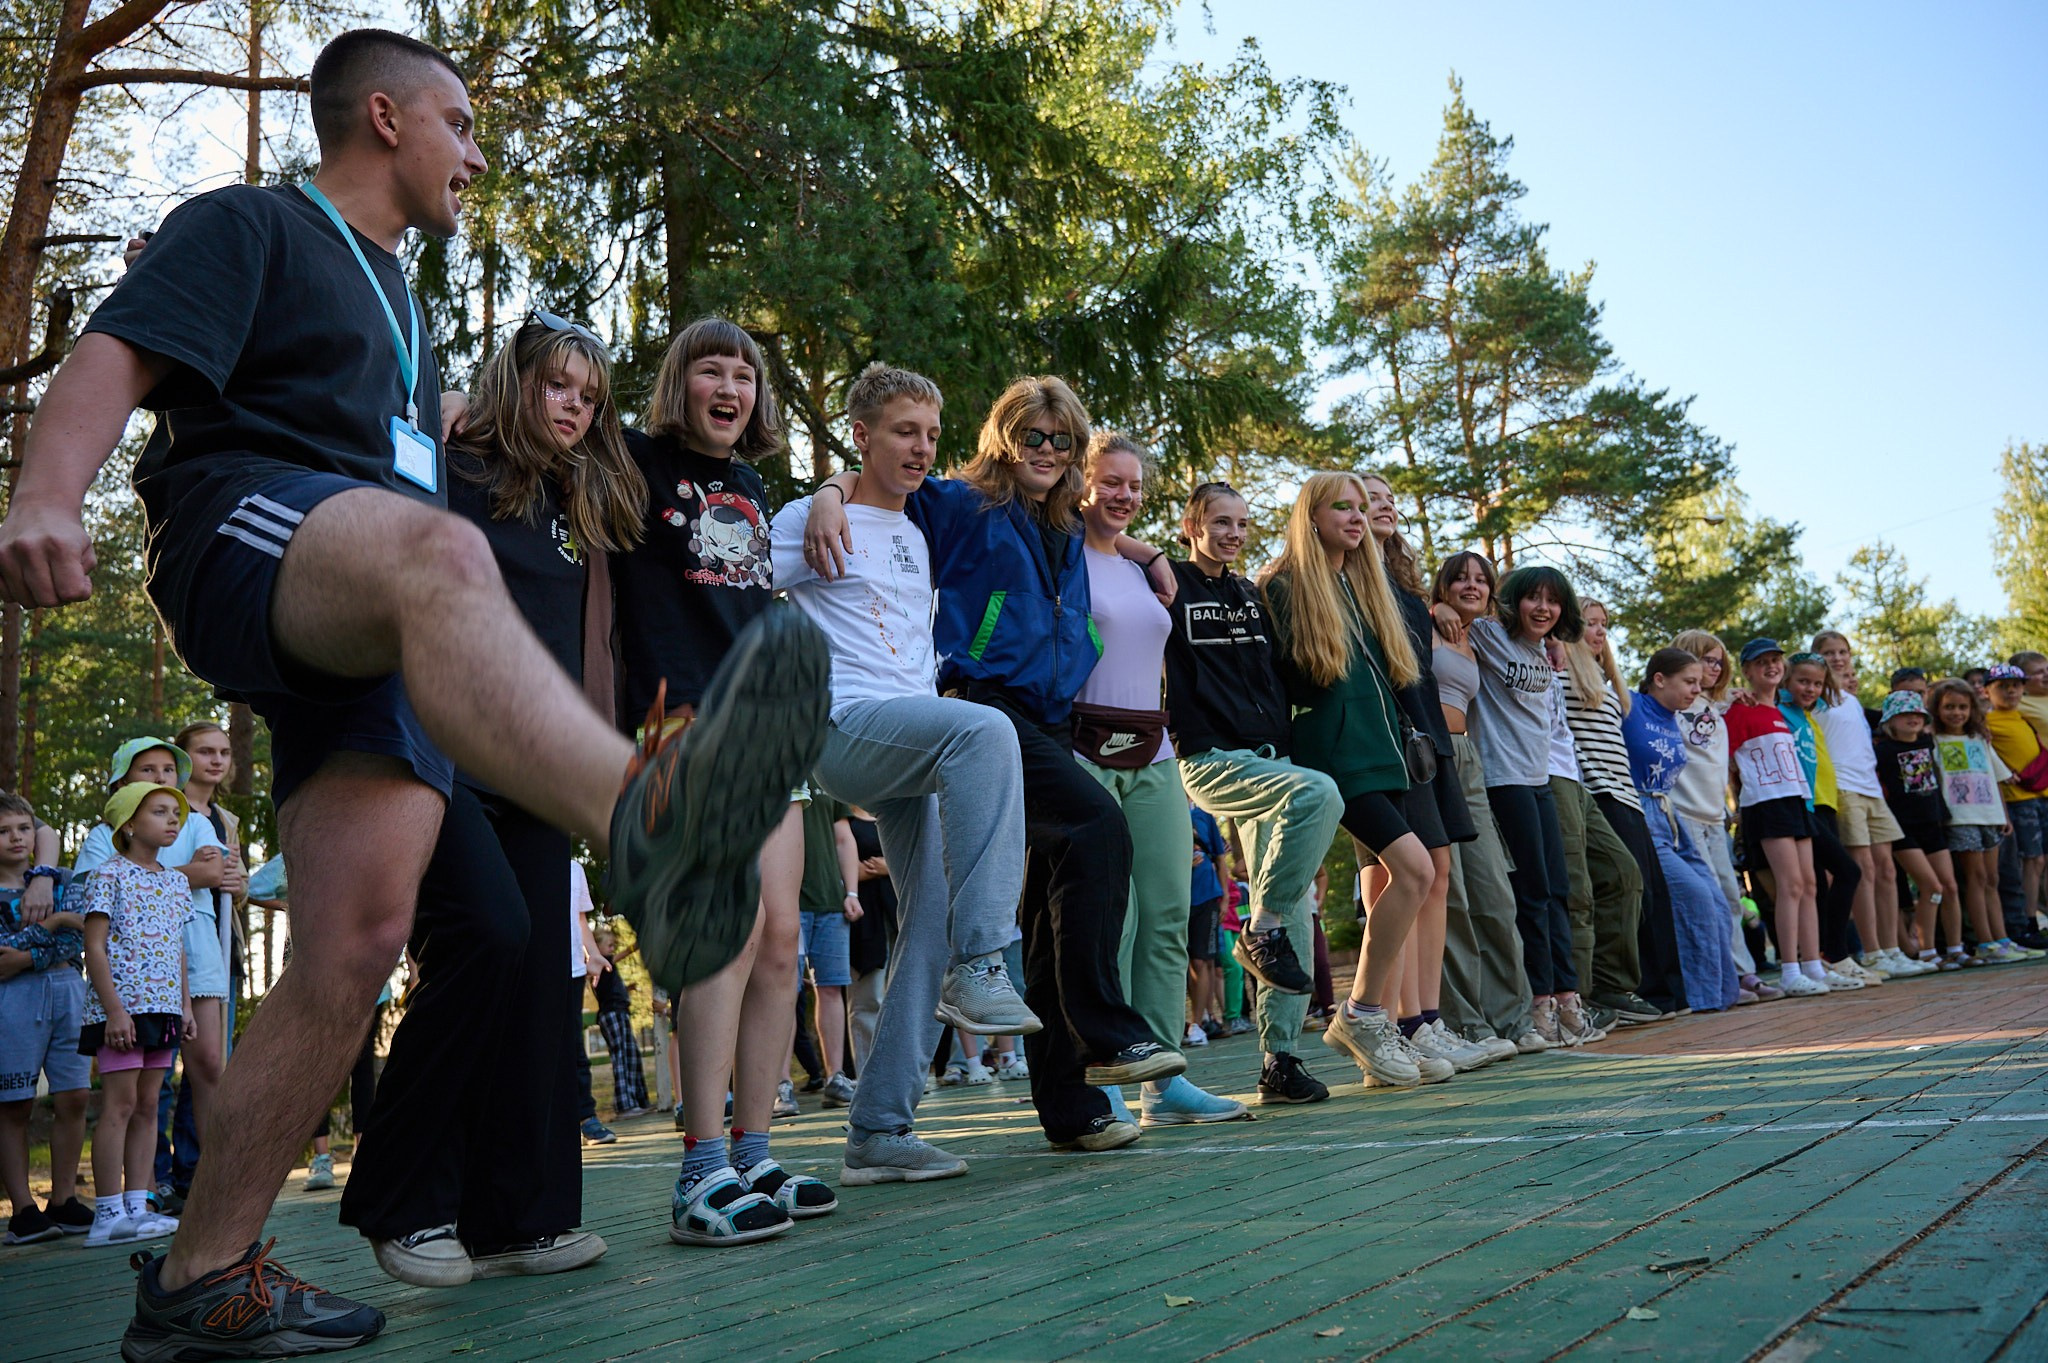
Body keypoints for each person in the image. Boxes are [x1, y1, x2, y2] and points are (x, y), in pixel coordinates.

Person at [0, 29, 819, 1353]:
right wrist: (43, 492)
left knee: (359, 938)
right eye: (459, 122)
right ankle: (649, 815)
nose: (477, 153)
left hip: (369, 612)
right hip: (250, 524)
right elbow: (116, 350)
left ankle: (205, 1274)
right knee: (444, 548)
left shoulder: (402, 297)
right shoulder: (254, 222)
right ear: (382, 117)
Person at [804, 374, 1182, 1154]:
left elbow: (1107, 535)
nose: (1047, 451)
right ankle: (1109, 1029)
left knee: (1052, 901)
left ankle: (1071, 1109)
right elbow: (881, 484)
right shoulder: (964, 504)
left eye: (1062, 440)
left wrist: (1146, 551)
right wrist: (826, 495)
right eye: (1032, 436)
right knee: (1099, 828)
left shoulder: (1069, 527)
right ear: (1004, 439)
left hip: (1052, 718)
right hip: (985, 706)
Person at [772, 361, 1033, 1183]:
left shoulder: (917, 532)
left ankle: (880, 1128)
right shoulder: (810, 517)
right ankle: (987, 960)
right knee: (989, 731)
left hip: (908, 736)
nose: (920, 448)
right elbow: (732, 582)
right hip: (842, 729)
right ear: (861, 435)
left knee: (930, 918)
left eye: (929, 432)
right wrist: (824, 492)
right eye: (901, 431)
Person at [1073, 433, 1248, 1124]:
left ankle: (1165, 1078)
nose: (1124, 494)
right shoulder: (1056, 556)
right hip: (1085, 744)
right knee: (1113, 919)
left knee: (1170, 912)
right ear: (1081, 484)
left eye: (1134, 485)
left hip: (1154, 752)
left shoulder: (1149, 568)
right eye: (1110, 481)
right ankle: (1107, 1073)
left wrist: (1145, 551)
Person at [1260, 472, 1447, 1090]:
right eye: (1342, 506)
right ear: (1310, 516)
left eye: (1363, 508)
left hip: (1384, 756)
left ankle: (1376, 1029)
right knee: (1416, 871)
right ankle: (1364, 1014)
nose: (1357, 517)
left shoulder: (1364, 586)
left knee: (1409, 877)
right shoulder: (1283, 586)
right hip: (1334, 762)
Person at [1160, 481, 1343, 1104]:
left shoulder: (1251, 594)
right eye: (1220, 522)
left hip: (1274, 762)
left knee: (1293, 912)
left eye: (1242, 523)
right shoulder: (1166, 584)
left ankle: (1279, 1061)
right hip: (1211, 756)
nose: (1233, 533)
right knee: (1320, 795)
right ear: (1192, 523)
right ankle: (1256, 925)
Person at [1358, 474, 1495, 1072]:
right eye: (1369, 497)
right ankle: (1387, 1022)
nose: (1384, 505)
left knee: (1436, 873)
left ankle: (1426, 1020)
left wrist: (1434, 605)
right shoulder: (1349, 579)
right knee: (1390, 878)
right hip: (1380, 742)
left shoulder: (1409, 591)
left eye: (1390, 498)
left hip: (1426, 740)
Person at [1438, 563, 1603, 1045]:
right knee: (1530, 893)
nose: (1544, 608)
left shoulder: (1542, 649)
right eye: (1534, 598)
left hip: (1539, 779)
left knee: (1557, 888)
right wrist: (1442, 604)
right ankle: (1539, 1004)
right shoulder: (1490, 634)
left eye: (1553, 601)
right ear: (1513, 601)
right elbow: (1457, 615)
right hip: (1500, 777)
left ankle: (1567, 995)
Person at [1430, 553, 1538, 1055]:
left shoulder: (1481, 638)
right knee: (1452, 897)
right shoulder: (1424, 621)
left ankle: (1514, 1020)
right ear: (1443, 585)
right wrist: (1431, 608)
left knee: (1495, 891)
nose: (1471, 586)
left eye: (1481, 580)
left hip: (1469, 760)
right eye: (1461, 578)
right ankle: (1467, 1025)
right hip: (1428, 755)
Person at [79, 782, 195, 1247]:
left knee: (150, 1107)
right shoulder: (108, 876)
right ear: (128, 824)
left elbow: (178, 950)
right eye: (160, 812)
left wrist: (185, 1006)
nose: (172, 820)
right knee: (120, 1105)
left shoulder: (175, 881)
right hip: (122, 1013)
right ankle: (105, 1214)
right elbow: (94, 946)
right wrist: (114, 1011)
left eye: (176, 813)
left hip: (163, 1009)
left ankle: (136, 1205)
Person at [1550, 601, 1659, 1027]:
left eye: (1603, 624)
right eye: (1589, 623)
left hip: (1620, 795)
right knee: (1587, 889)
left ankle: (1613, 986)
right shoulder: (1559, 672)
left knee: (1627, 879)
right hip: (1586, 789)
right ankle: (1585, 992)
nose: (1599, 631)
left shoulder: (1607, 682)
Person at [1622, 648, 1742, 1012]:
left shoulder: (1675, 717)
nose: (1696, 689)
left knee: (1718, 901)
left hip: (1669, 814)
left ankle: (1719, 996)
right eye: (1688, 682)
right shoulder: (1630, 703)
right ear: (1659, 679)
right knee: (1696, 897)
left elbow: (1713, 718)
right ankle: (1696, 996)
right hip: (1640, 811)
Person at [0, 792, 93, 1244]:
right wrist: (54, 925)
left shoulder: (63, 878)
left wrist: (34, 945)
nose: (15, 838)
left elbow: (74, 941)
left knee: (75, 1095)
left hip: (69, 991)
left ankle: (63, 1199)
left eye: (22, 828)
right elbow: (2, 960)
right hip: (13, 1000)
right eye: (2, 832)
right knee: (15, 1102)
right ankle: (21, 1210)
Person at [1667, 630, 1778, 1001]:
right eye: (1705, 660)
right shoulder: (1674, 703)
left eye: (1718, 661)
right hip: (1684, 814)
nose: (1713, 668)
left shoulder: (1719, 707)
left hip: (1716, 817)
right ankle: (1719, 976)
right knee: (1706, 899)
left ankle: (1743, 972)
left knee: (1731, 896)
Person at [1811, 631, 1924, 979]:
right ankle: (1871, 951)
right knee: (1864, 872)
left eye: (1843, 651)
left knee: (1888, 870)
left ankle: (1891, 949)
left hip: (1871, 788)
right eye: (1829, 653)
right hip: (1844, 788)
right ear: (1817, 658)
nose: (1838, 657)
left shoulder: (1851, 698)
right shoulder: (1815, 697)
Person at [1726, 640, 1828, 998]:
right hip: (1765, 803)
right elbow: (1725, 757)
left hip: (1795, 800)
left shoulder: (1778, 710)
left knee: (1810, 884)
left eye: (1775, 660)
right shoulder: (1738, 708)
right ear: (1748, 671)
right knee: (1790, 885)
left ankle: (1813, 965)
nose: (1771, 666)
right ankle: (1789, 969)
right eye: (1761, 663)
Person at [1774, 655, 1873, 988]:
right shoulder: (1779, 710)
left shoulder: (1809, 715)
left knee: (1819, 883)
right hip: (1803, 806)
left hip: (1825, 804)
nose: (1811, 689)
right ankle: (1835, 954)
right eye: (1803, 681)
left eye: (1817, 684)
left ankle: (1818, 961)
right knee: (1847, 872)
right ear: (1786, 680)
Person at [1927, 678, 2034, 962]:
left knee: (1992, 878)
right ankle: (1985, 942)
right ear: (1937, 709)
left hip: (1990, 815)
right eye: (1949, 707)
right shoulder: (1934, 741)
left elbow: (1995, 777)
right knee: (1975, 878)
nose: (1956, 713)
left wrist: (2004, 814)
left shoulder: (1979, 739)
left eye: (1963, 707)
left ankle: (2002, 939)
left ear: (1972, 709)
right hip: (1961, 819)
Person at [1871, 690, 1968, 965]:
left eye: (1916, 713)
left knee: (1949, 886)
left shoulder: (1928, 741)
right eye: (1903, 714)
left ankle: (1955, 949)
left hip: (1932, 822)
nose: (1911, 718)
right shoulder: (1882, 749)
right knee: (1931, 886)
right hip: (1903, 829)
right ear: (1890, 720)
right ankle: (1927, 953)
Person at [797, 795, 862, 1108]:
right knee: (782, 994)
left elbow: (843, 836)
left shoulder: (826, 766)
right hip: (785, 903)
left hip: (830, 902)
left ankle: (835, 1077)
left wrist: (851, 892)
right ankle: (779, 1085)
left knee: (833, 988)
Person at [591, 924, 650, 1117]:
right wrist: (633, 947)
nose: (612, 949)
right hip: (611, 1014)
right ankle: (624, 1103)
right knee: (622, 1056)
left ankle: (638, 1098)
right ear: (596, 947)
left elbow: (611, 988)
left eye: (614, 945)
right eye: (609, 945)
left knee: (631, 1054)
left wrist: (629, 989)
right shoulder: (600, 963)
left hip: (620, 1012)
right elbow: (619, 956)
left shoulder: (608, 970)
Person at [1186, 802, 1228, 1046]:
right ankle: (1201, 1015)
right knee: (1188, 963)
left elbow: (1221, 859)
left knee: (1203, 960)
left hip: (1207, 897)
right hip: (1178, 898)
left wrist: (1224, 898)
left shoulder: (1204, 814)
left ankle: (1198, 1024)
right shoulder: (1164, 810)